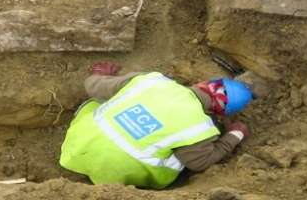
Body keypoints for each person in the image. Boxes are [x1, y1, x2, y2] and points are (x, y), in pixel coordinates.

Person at [59, 61, 253, 189]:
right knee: (182, 153)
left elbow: (93, 86)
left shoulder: (149, 81)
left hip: (77, 149)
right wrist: (234, 135)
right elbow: (199, 162)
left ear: (203, 84)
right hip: (119, 178)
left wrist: (100, 75)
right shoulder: (200, 128)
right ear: (218, 113)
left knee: (103, 102)